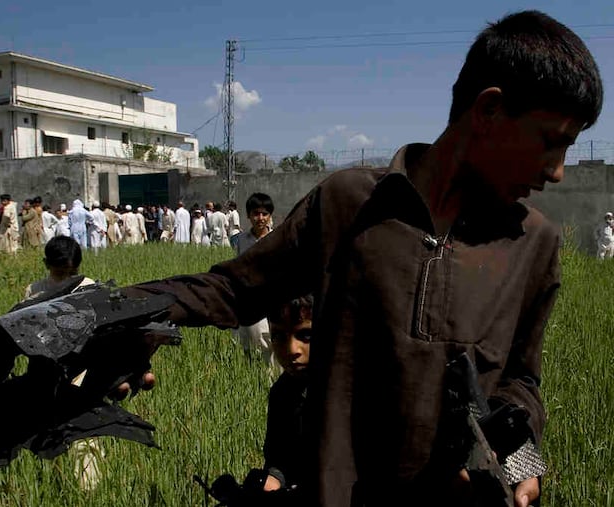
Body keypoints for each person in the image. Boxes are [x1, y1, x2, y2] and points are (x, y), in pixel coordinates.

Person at [124, 11, 602, 506]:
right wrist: (115, 312)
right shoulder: (349, 205)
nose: (558, 171)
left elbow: (519, 384)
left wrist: (524, 464)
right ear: (488, 111)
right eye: (552, 141)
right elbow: (233, 289)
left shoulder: (534, 242)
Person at [21, 236, 103, 489]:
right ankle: (57, 485)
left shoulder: (90, 287)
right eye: (60, 273)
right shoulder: (34, 291)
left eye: (72, 272)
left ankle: (89, 490)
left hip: (82, 372)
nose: (67, 277)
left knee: (84, 434)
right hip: (46, 373)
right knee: (50, 432)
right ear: (47, 265)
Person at [262, 294, 313, 494]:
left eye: (305, 335)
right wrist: (271, 480)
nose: (292, 349)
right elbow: (279, 459)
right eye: (279, 336)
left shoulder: (352, 390)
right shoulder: (282, 393)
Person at [235, 193, 276, 366]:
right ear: (248, 215)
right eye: (256, 213)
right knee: (247, 341)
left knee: (269, 343)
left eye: (265, 214)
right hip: (248, 298)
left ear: (270, 216)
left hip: (272, 299)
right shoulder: (242, 240)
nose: (260, 218)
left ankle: (270, 382)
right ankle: (251, 378)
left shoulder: (277, 239)